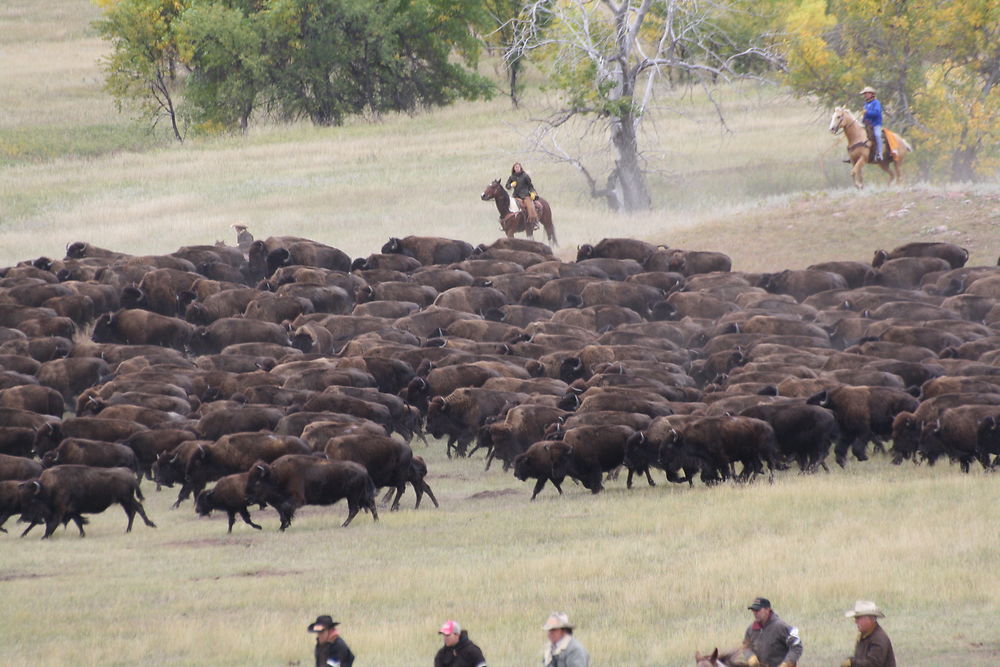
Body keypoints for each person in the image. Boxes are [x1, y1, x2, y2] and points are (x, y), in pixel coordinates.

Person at [739, 597, 803, 667]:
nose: (755, 613)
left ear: (767, 610)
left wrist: (788, 663)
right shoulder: (751, 629)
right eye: (753, 610)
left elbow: (797, 646)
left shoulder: (781, 626)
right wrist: (750, 656)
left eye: (758, 610)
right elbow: (746, 646)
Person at [840, 600, 896, 667]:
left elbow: (872, 664)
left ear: (870, 619)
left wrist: (852, 662)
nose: (855, 621)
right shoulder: (865, 635)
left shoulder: (879, 639)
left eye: (858, 618)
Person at [504, 162, 539, 230]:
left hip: (525, 195)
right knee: (507, 206)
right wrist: (511, 185)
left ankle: (534, 222)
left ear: (520, 168)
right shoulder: (512, 177)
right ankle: (505, 223)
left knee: (530, 206)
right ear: (514, 169)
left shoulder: (525, 176)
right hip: (516, 195)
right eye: (515, 167)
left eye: (518, 167)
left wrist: (532, 193)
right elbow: (507, 186)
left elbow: (530, 186)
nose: (517, 168)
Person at [860, 86, 884, 161]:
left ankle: (880, 153)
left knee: (877, 135)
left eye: (866, 93)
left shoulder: (876, 103)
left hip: (876, 124)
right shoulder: (866, 104)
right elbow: (865, 115)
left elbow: (877, 113)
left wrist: (867, 112)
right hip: (868, 124)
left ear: (871, 94)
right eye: (864, 94)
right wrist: (863, 119)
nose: (865, 95)